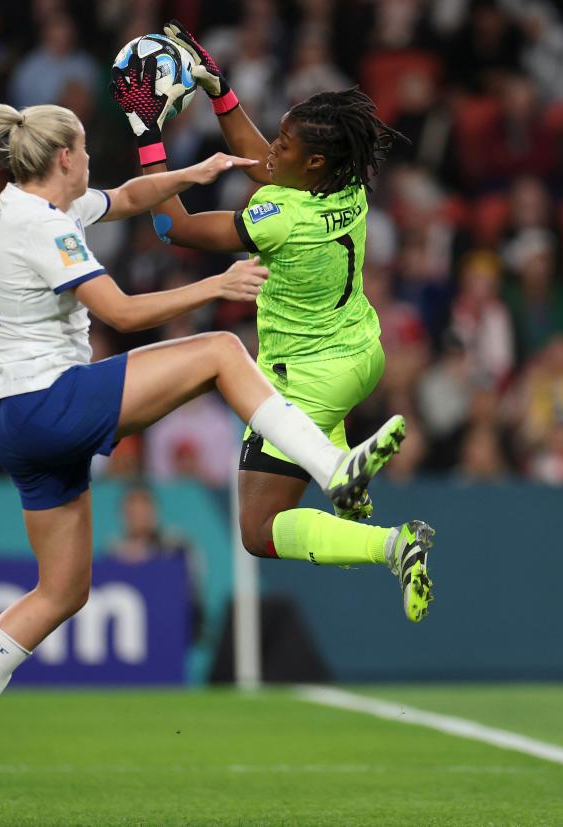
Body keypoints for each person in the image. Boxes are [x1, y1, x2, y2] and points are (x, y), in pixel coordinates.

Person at [0, 101, 408, 797]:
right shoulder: (43, 226)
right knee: (223, 351)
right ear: (63, 160)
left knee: (62, 590)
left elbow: (132, 197)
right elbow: (120, 312)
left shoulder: (29, 204)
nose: (90, 162)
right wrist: (216, 284)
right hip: (47, 404)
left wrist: (193, 170)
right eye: (83, 149)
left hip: (12, 419)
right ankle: (334, 469)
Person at [110, 21, 435, 623]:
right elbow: (265, 163)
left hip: (304, 376)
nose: (272, 151)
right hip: (360, 353)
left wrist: (145, 129)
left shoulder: (278, 216)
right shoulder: (348, 184)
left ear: (312, 161)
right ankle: (345, 479)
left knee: (259, 529)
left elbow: (171, 228)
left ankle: (393, 542)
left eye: (285, 146)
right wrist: (218, 89)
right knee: (329, 490)